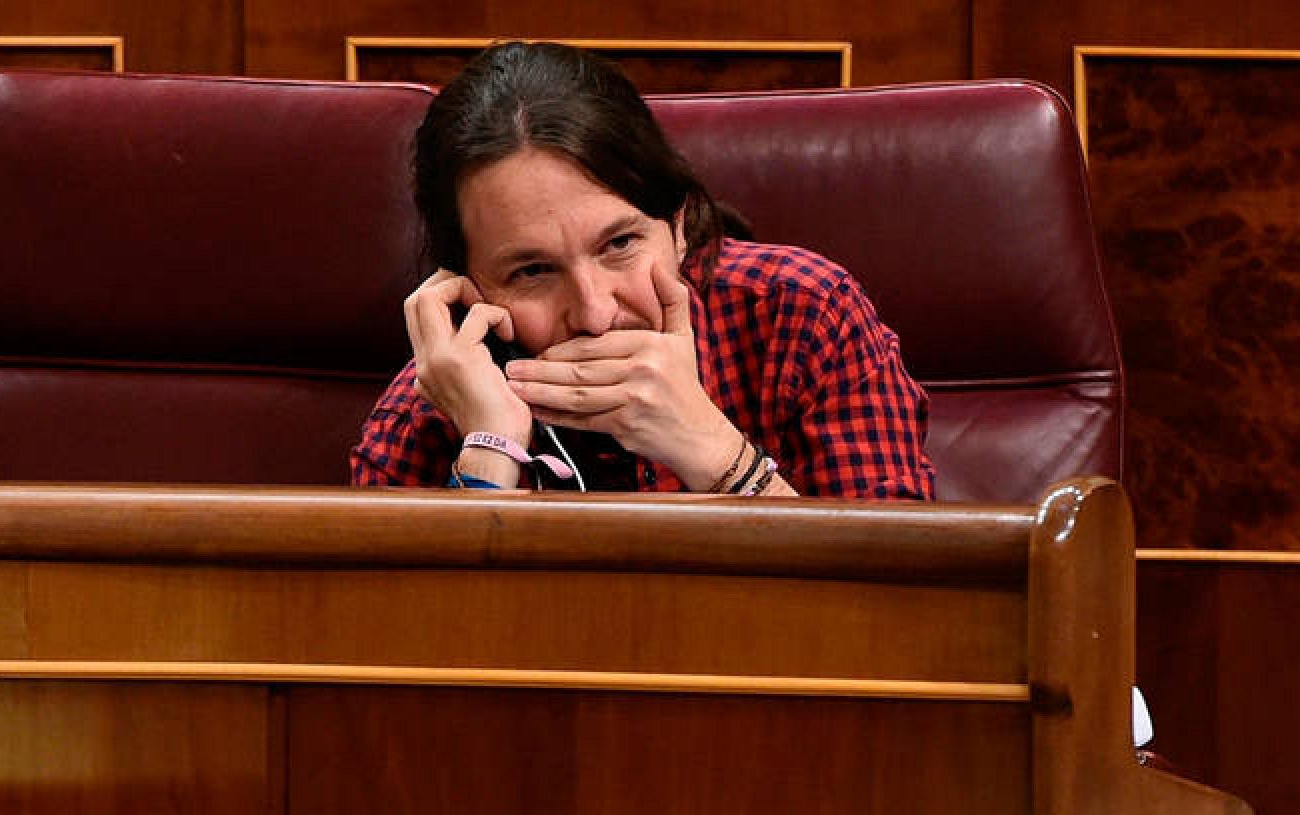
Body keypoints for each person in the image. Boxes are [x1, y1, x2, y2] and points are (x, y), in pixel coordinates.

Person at [350, 41, 935, 499]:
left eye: (621, 243)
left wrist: (717, 456)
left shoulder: (803, 316)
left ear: (679, 226)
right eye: (532, 271)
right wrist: (490, 451)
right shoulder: (434, 401)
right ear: (466, 291)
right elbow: (392, 645)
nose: (596, 314)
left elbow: (906, 614)